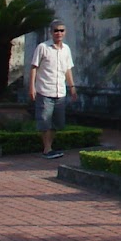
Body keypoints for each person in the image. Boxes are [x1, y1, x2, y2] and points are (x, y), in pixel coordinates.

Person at [26, 21, 76, 160]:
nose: (58, 33)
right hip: (44, 90)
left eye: (61, 30)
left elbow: (68, 69)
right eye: (56, 30)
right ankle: (47, 149)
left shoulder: (66, 49)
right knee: (44, 120)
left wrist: (72, 87)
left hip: (60, 91)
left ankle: (50, 147)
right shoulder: (43, 47)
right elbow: (34, 67)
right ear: (51, 32)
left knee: (57, 122)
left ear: (64, 32)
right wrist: (32, 87)